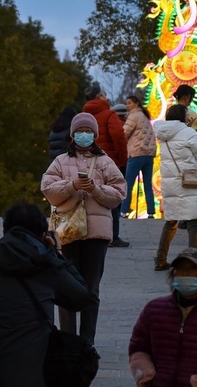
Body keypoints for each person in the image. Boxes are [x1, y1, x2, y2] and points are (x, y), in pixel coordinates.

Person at [0, 202, 94, 387]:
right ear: (43, 235)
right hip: (28, 375)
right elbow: (82, 298)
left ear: (4, 231)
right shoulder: (47, 266)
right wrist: (57, 253)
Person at [41, 111, 127, 345]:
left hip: (96, 236)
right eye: (80, 131)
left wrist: (95, 190)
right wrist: (72, 186)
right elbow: (48, 190)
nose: (84, 135)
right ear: (72, 134)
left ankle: (87, 341)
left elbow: (119, 192)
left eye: (88, 131)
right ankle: (68, 340)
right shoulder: (60, 162)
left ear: (95, 135)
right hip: (67, 234)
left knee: (91, 290)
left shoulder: (105, 162)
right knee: (66, 289)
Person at [128, 248, 197, 386]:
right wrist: (146, 375)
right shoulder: (154, 309)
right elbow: (138, 347)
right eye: (180, 268)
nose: (186, 273)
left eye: (193, 268)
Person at [152, 104, 197, 270]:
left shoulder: (162, 134)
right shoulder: (188, 132)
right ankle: (195, 262)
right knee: (193, 223)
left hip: (170, 183)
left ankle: (160, 259)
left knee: (171, 222)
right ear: (183, 116)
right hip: (187, 182)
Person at [82, 84, 130, 247]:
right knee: (112, 198)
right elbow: (118, 136)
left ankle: (92, 233)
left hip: (87, 162)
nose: (106, 97)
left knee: (91, 197)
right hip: (110, 163)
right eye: (103, 95)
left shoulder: (82, 116)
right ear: (98, 98)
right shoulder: (109, 114)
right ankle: (112, 235)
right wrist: (123, 161)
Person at [121, 95, 157, 219]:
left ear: (136, 103)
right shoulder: (145, 117)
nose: (127, 106)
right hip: (149, 154)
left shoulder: (134, 116)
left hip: (136, 153)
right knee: (147, 184)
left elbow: (124, 133)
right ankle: (151, 211)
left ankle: (124, 210)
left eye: (129, 103)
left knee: (128, 183)